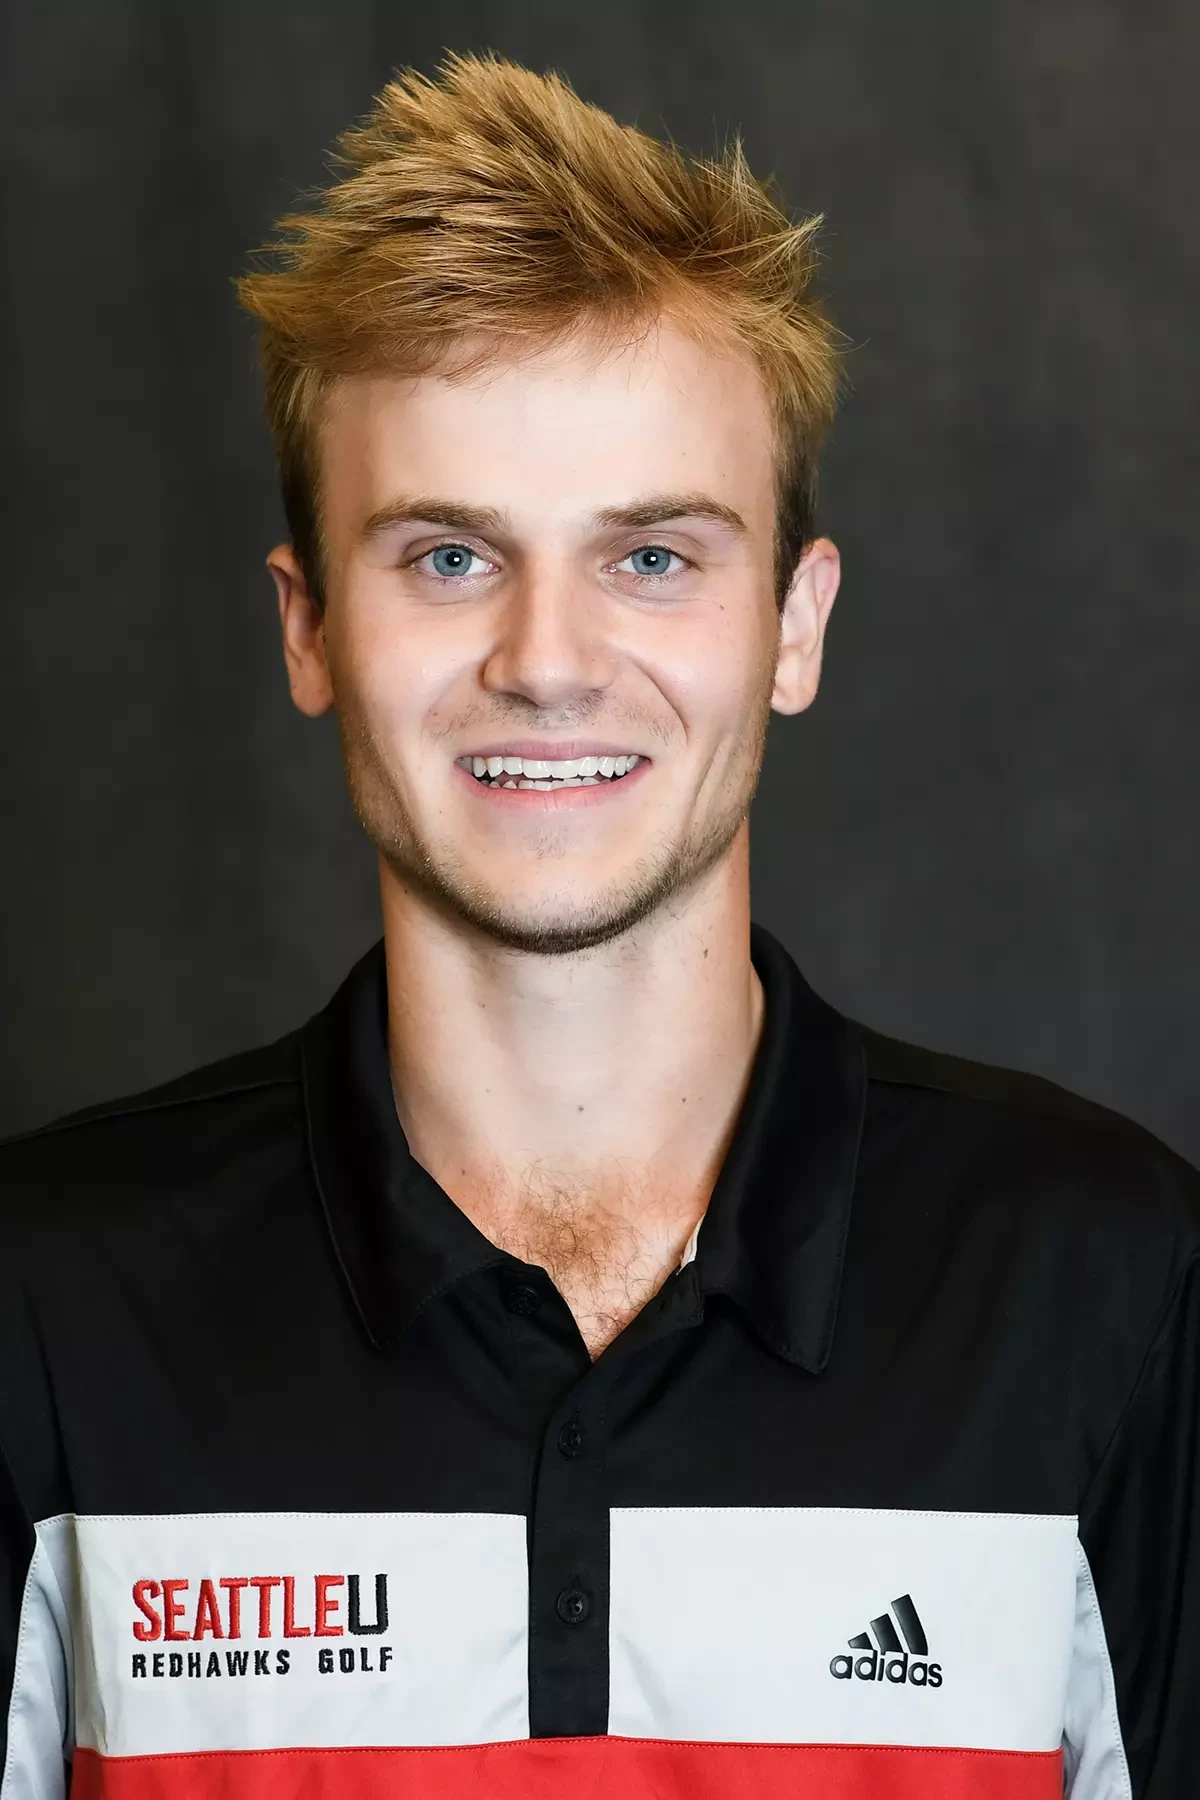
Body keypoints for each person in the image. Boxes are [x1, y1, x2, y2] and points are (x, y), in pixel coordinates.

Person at [0, 51, 1195, 1800]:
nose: (547, 661)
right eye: (448, 556)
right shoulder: (44, 1295)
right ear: (307, 626)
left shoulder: (1110, 1282)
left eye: (651, 557)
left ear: (794, 624)